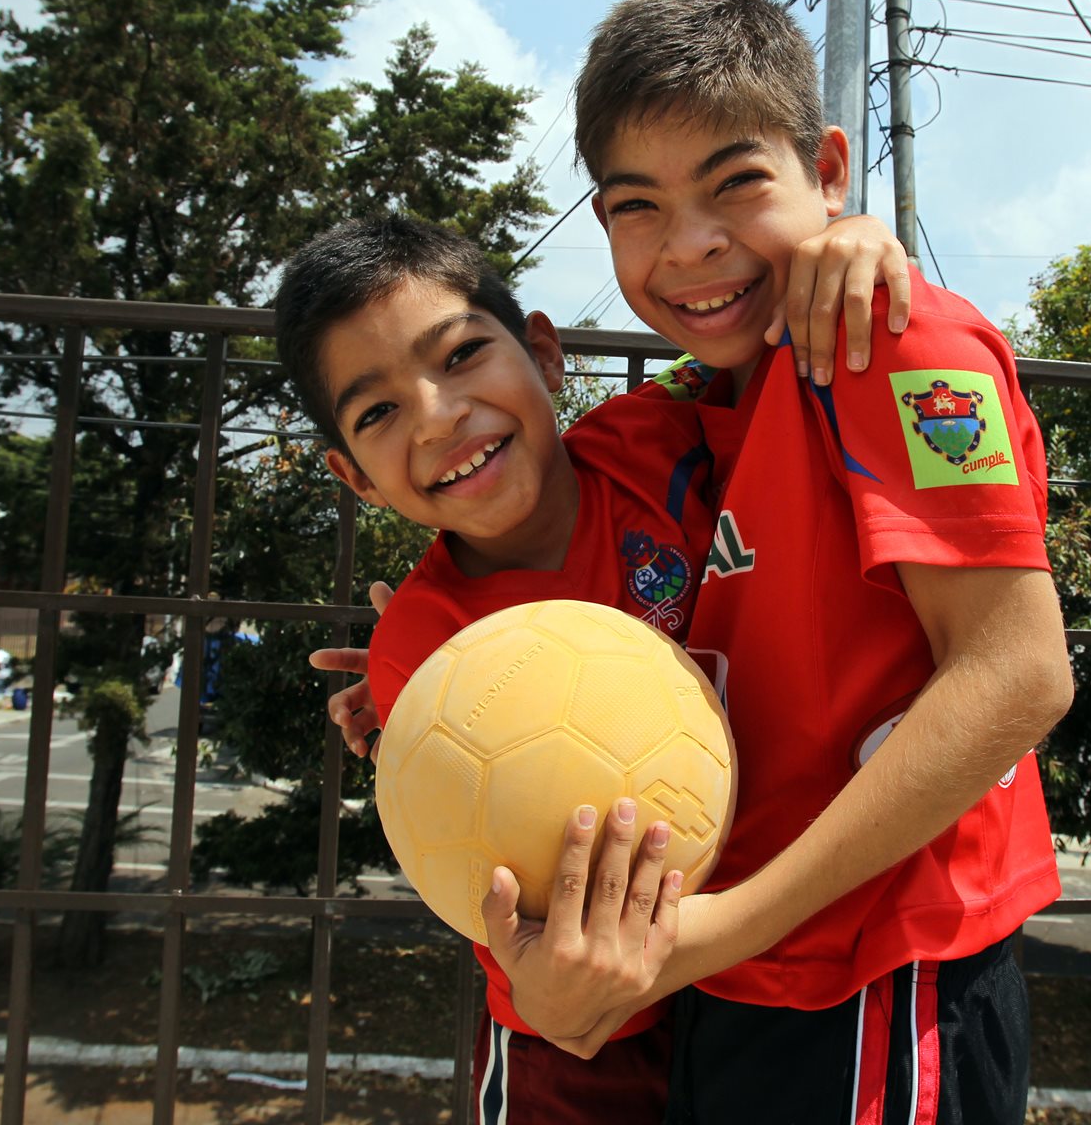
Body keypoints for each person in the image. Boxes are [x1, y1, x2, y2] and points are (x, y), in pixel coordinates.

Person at [478, 0, 1074, 1125]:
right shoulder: (717, 395)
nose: (690, 246)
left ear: (828, 169)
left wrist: (715, 931)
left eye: (735, 182)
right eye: (637, 206)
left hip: (871, 980)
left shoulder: (889, 338)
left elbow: (1017, 671)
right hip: (742, 971)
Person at [275, 211, 909, 1125]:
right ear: (355, 478)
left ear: (543, 354)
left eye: (461, 355)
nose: (439, 417)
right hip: (585, 1043)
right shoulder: (424, 649)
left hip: (765, 980)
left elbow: (762, 342)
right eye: (378, 412)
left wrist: (848, 244)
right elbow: (504, 913)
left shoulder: (653, 436)